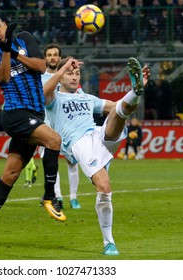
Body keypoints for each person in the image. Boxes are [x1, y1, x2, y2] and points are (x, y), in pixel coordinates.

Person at [0, 15, 65, 254]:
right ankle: (49, 196)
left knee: (10, 175)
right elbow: (2, 77)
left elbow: (41, 66)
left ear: (4, 26)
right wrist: (5, 51)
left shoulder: (24, 39)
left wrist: (14, 49)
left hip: (35, 114)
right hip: (15, 114)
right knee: (54, 140)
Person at [43, 56, 150, 255]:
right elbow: (44, 93)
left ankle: (135, 91)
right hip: (79, 143)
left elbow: (121, 106)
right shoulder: (55, 99)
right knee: (104, 187)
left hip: (97, 134)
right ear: (60, 75)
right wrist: (62, 68)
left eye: (77, 73)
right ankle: (108, 242)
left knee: (119, 112)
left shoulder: (88, 98)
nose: (75, 77)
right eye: (69, 73)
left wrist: (135, 94)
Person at [41, 43, 81, 209]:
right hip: (46, 125)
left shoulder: (68, 75)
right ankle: (57, 196)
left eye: (55, 54)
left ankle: (73, 197)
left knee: (72, 162)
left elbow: (78, 96)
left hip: (67, 125)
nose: (52, 57)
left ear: (59, 57)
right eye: (49, 54)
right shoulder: (39, 77)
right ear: (45, 58)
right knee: (51, 161)